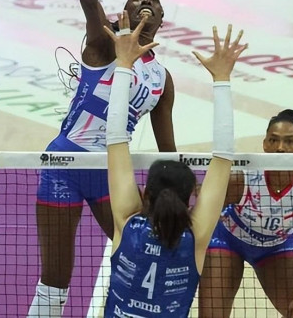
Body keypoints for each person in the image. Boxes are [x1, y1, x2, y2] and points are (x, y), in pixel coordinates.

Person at [27, 0, 176, 317]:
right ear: (123, 13)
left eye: (152, 1)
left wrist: (177, 191)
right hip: (65, 164)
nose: (144, 1)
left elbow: (168, 151)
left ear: (162, 19)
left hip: (114, 174)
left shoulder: (162, 79)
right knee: (55, 280)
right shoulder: (103, 45)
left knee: (139, 260)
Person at [103, 17, 248, 318]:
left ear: (144, 192)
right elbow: (223, 158)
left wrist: (123, 64)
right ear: (191, 197)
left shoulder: (127, 225)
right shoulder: (195, 238)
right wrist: (222, 78)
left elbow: (115, 137)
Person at [198, 109, 293, 318]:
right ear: (264, 144)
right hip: (227, 240)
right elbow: (200, 215)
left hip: (276, 247)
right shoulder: (242, 177)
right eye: (273, 140)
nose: (280, 148)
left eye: (289, 142)